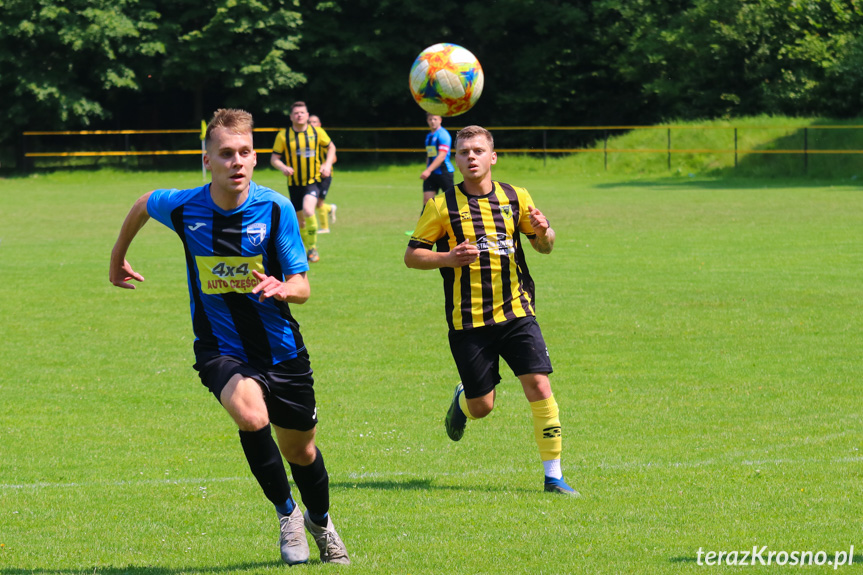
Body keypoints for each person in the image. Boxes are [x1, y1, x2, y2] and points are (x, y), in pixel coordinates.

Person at [109, 108, 350, 564]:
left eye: (243, 152)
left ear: (255, 157)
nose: (235, 162)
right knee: (250, 414)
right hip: (221, 348)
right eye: (225, 154)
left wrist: (285, 287)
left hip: (281, 349)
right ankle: (287, 516)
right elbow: (144, 201)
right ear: (207, 160)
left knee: (301, 450)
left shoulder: (275, 208)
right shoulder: (184, 207)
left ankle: (321, 522)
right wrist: (117, 256)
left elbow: (303, 284)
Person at [404, 125, 578, 496]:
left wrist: (546, 233)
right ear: (456, 159)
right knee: (482, 406)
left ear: (492, 157)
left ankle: (554, 477)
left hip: (517, 312)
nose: (471, 157)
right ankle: (462, 400)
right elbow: (412, 255)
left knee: (539, 384)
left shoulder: (516, 197)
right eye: (464, 151)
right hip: (468, 322)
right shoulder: (441, 205)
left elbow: (544, 246)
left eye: (478, 150)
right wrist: (448, 258)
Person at [270, 102, 336, 262]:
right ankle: (307, 249)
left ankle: (313, 249)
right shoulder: (283, 135)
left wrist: (327, 164)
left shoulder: (317, 132)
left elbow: (331, 147)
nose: (299, 115)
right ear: (291, 116)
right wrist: (283, 167)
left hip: (313, 181)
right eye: (296, 113)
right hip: (294, 183)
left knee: (308, 210)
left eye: (302, 112)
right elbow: (274, 159)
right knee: (300, 222)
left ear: (307, 115)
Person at [308, 114, 337, 234]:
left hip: (325, 175)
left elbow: (334, 157)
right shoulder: (308, 140)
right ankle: (330, 209)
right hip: (312, 175)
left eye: (315, 122)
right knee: (314, 203)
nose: (312, 124)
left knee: (318, 203)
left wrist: (326, 166)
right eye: (310, 122)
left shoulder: (322, 139)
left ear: (319, 125)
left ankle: (325, 227)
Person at [420, 113, 455, 210]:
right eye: (430, 119)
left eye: (435, 119)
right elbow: (430, 154)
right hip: (431, 173)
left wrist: (428, 170)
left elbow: (442, 156)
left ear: (440, 120)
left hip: (444, 172)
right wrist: (428, 168)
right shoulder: (429, 136)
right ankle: (425, 224)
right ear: (427, 121)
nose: (432, 121)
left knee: (451, 201)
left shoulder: (443, 134)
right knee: (427, 201)